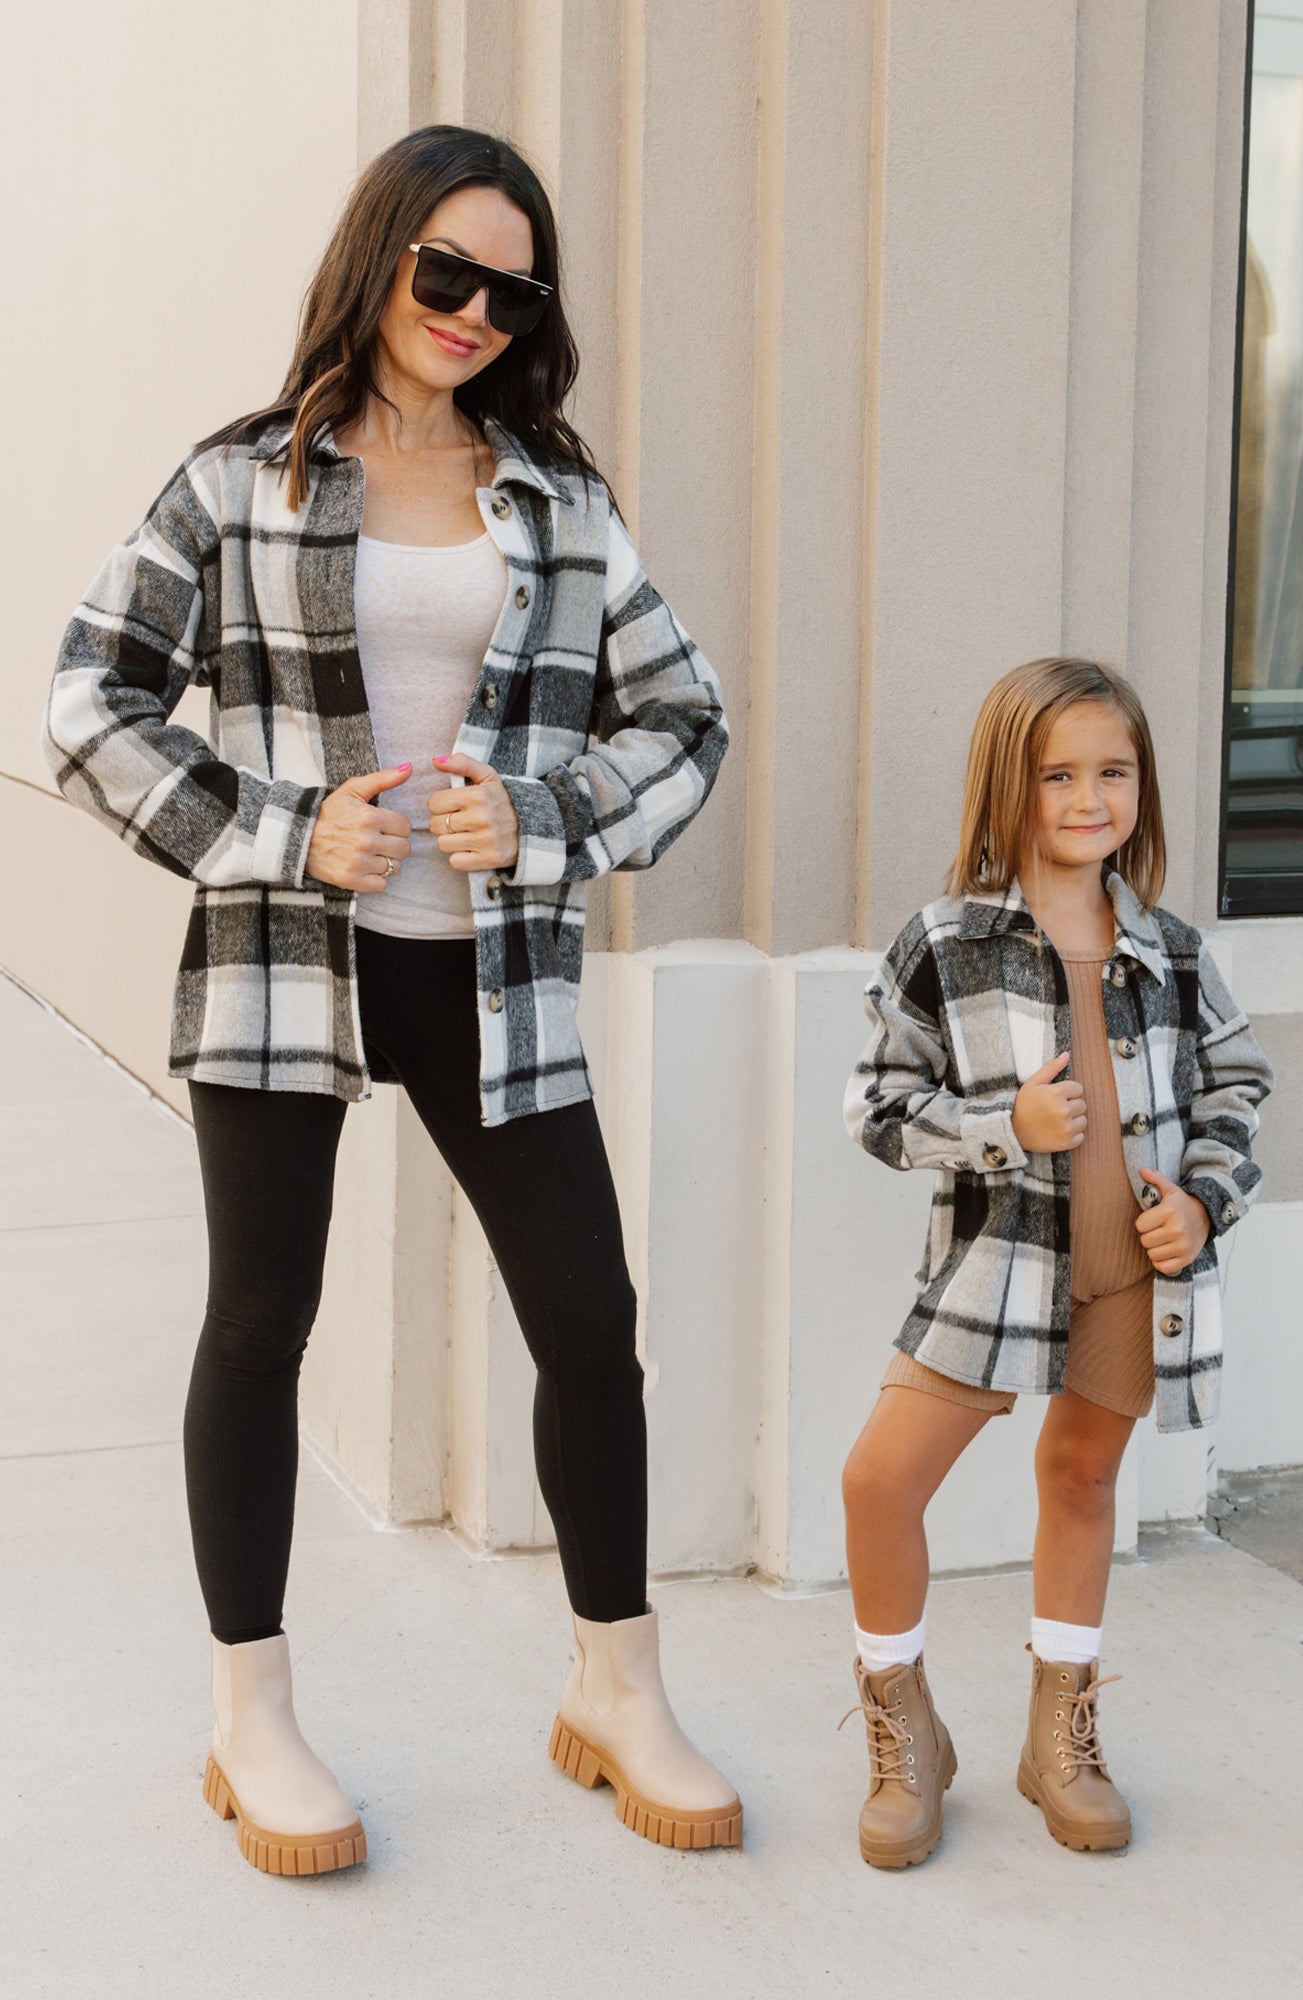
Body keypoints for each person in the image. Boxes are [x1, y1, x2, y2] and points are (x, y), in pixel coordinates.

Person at [42, 125, 742, 1875]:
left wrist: (548, 817)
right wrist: (282, 831)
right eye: (448, 272)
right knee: (258, 1326)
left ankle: (616, 1685)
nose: (476, 312)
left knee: (590, 1322)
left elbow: (686, 718)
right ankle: (252, 1716)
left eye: (514, 291)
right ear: (379, 258)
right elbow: (85, 699)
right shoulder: (236, 483)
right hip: (289, 966)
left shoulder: (555, 500)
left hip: (491, 974)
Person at [840, 657, 1272, 1868]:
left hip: (1132, 1272)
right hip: (996, 1265)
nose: (1089, 798)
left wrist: (1204, 1201)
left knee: (1080, 1477)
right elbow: (876, 1107)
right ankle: (904, 1730)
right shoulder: (945, 941)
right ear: (1006, 786)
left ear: (1142, 784)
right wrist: (1003, 1126)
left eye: (1112, 772)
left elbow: (1237, 1085)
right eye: (1058, 774)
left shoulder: (1173, 951)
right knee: (877, 1482)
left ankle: (1059, 1737)